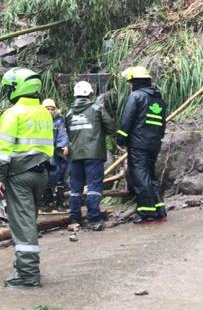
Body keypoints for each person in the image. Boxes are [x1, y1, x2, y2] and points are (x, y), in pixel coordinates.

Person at [0, 67, 54, 288]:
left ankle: (28, 274)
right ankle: (24, 265)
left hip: (19, 175)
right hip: (41, 174)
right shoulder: (44, 113)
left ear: (16, 88)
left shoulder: (12, 114)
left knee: (23, 224)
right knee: (29, 220)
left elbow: (3, 151)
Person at [117, 66, 168, 225]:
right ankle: (159, 211)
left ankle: (147, 213)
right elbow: (162, 124)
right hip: (154, 144)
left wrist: (121, 139)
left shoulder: (136, 96)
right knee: (151, 176)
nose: (130, 85)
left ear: (136, 81)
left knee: (140, 177)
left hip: (138, 144)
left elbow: (127, 119)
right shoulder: (158, 99)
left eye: (130, 82)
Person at [65, 81, 114, 231]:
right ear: (90, 94)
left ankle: (74, 219)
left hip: (75, 155)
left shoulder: (69, 113)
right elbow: (111, 128)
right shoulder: (97, 109)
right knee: (94, 186)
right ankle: (94, 219)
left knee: (75, 188)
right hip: (93, 154)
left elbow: (68, 132)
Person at [41, 99, 69, 212]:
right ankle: (47, 203)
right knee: (45, 180)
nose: (50, 111)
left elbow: (62, 135)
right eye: (47, 109)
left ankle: (60, 203)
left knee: (59, 179)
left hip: (56, 155)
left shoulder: (58, 122)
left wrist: (64, 146)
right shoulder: (38, 123)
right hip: (43, 155)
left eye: (52, 109)